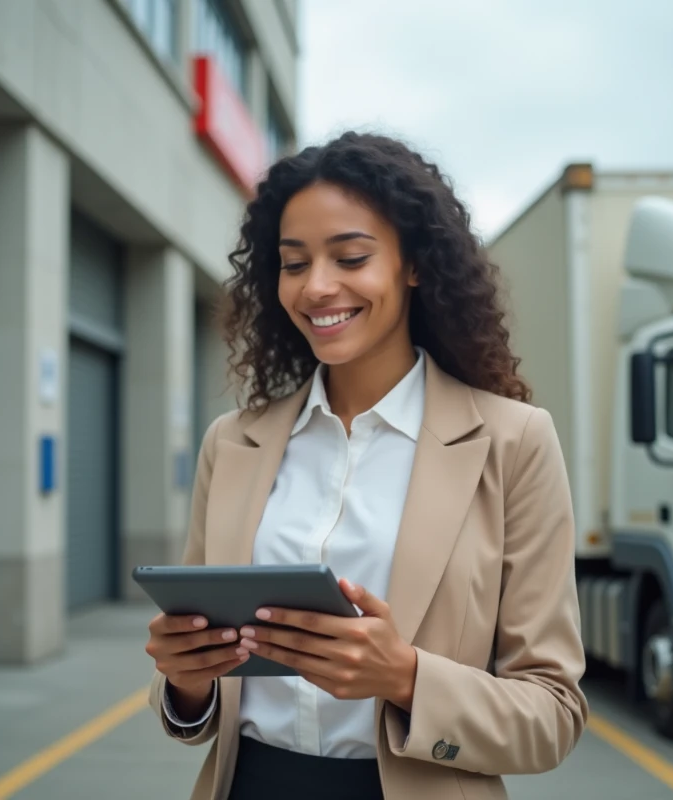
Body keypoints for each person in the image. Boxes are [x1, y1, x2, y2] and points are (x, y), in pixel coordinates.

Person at [144, 131, 588, 800]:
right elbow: (197, 700)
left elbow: (552, 715)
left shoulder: (513, 442)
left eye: (350, 257)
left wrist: (405, 677)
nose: (317, 287)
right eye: (294, 264)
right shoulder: (232, 444)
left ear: (415, 265)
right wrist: (186, 681)